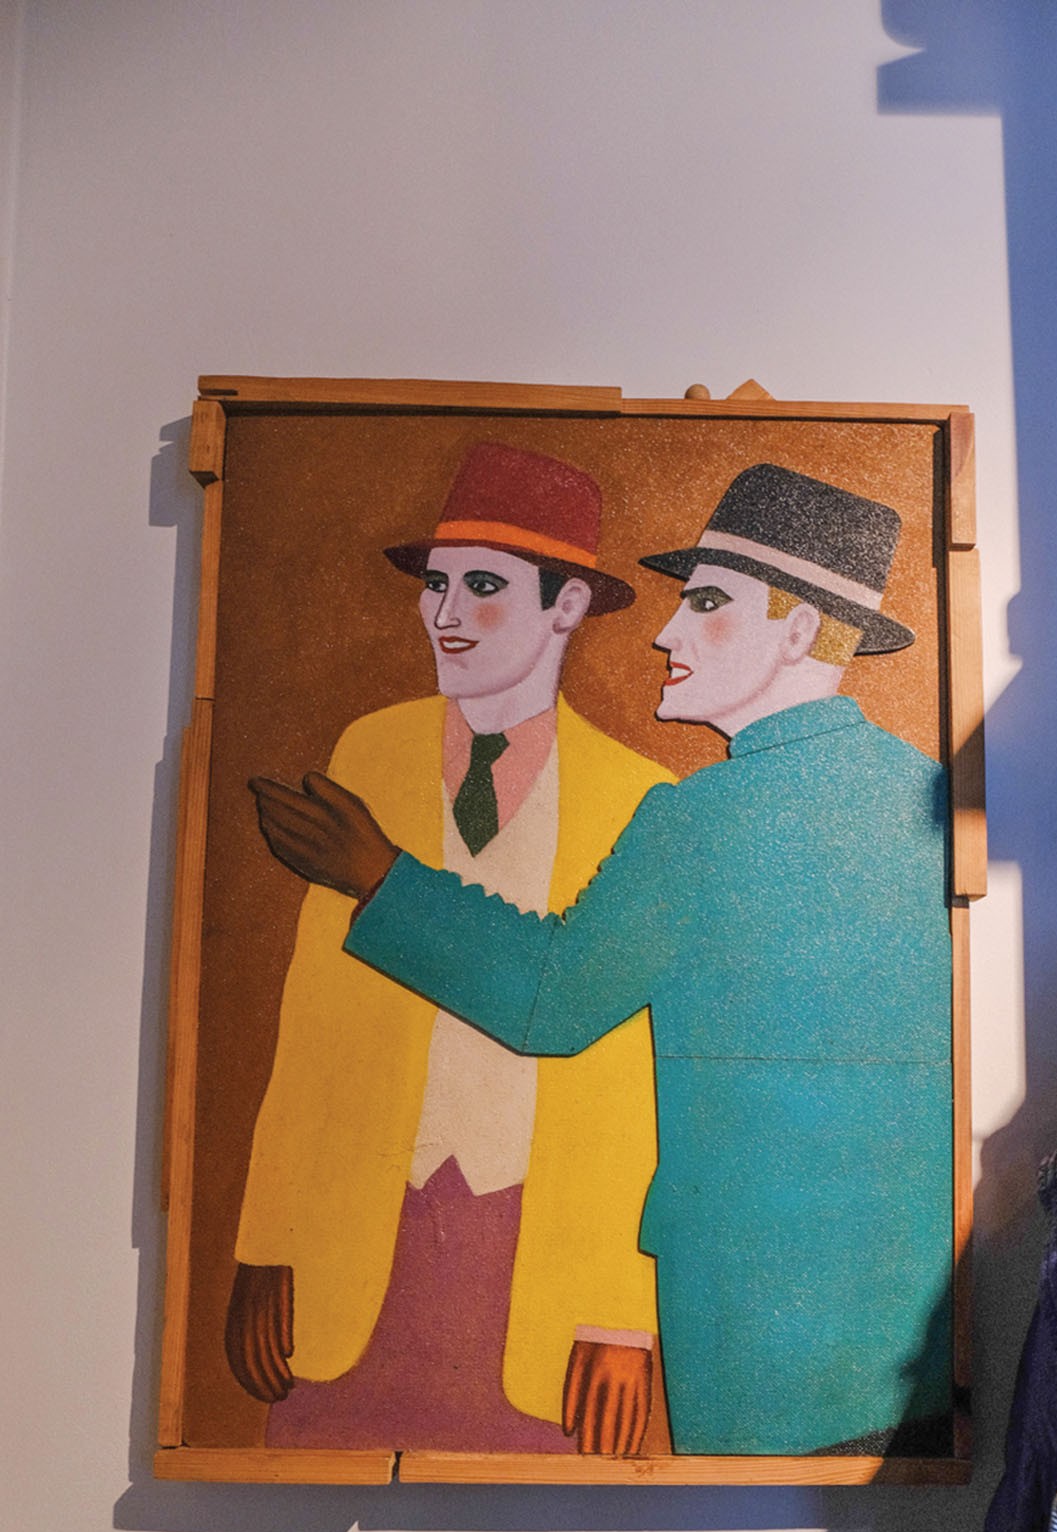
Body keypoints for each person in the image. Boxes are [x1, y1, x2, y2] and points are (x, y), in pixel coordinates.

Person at [251, 463, 954, 1456]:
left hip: (753, 1329)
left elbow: (553, 999)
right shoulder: (928, 794)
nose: (665, 634)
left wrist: (378, 876)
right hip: (915, 1322)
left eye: (705, 603)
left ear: (799, 631)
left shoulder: (698, 819)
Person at [229, 441, 672, 1456]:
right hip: (361, 1238)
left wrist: (619, 1311)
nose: (445, 614)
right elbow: (315, 1021)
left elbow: (636, 1083)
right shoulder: (370, 753)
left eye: (483, 586)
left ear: (567, 606)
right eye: (435, 584)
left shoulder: (639, 800)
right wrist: (268, 1238)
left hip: (535, 1253)